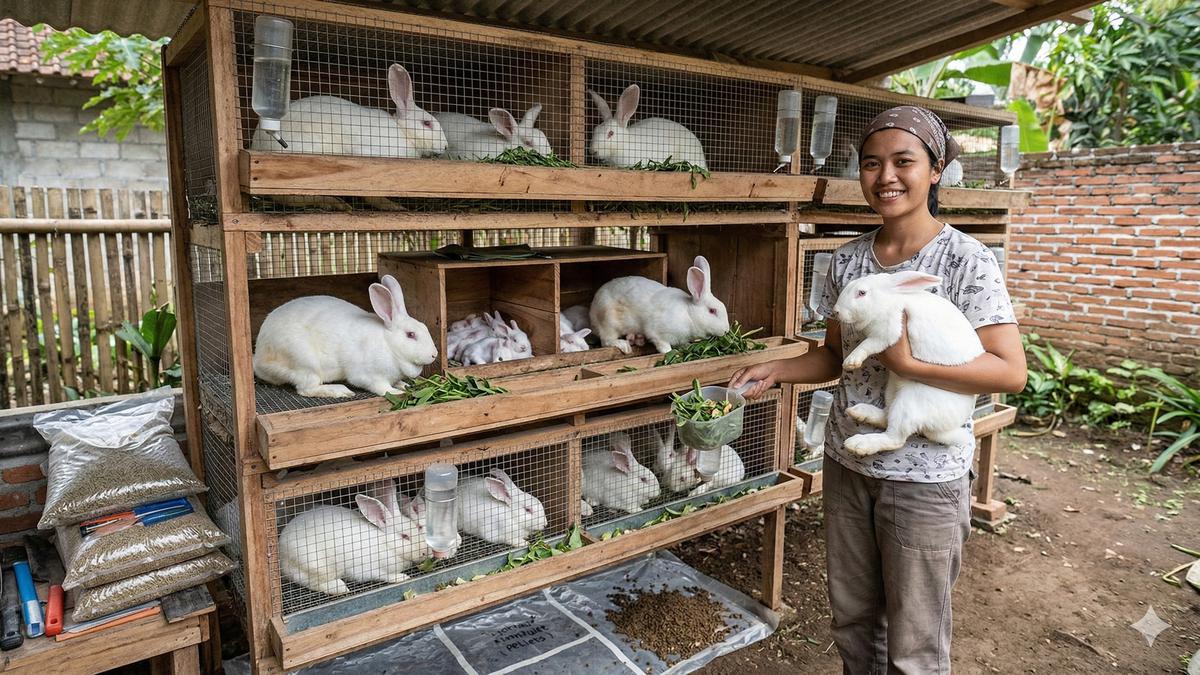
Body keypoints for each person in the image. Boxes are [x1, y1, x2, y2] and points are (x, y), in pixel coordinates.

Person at [730, 106, 1027, 674]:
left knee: (915, 639)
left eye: (903, 161)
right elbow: (833, 356)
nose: (886, 176)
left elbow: (1009, 372)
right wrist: (774, 371)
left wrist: (908, 364)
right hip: (849, 462)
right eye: (871, 164)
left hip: (926, 478)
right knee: (853, 620)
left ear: (935, 171)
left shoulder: (966, 261)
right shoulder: (846, 261)